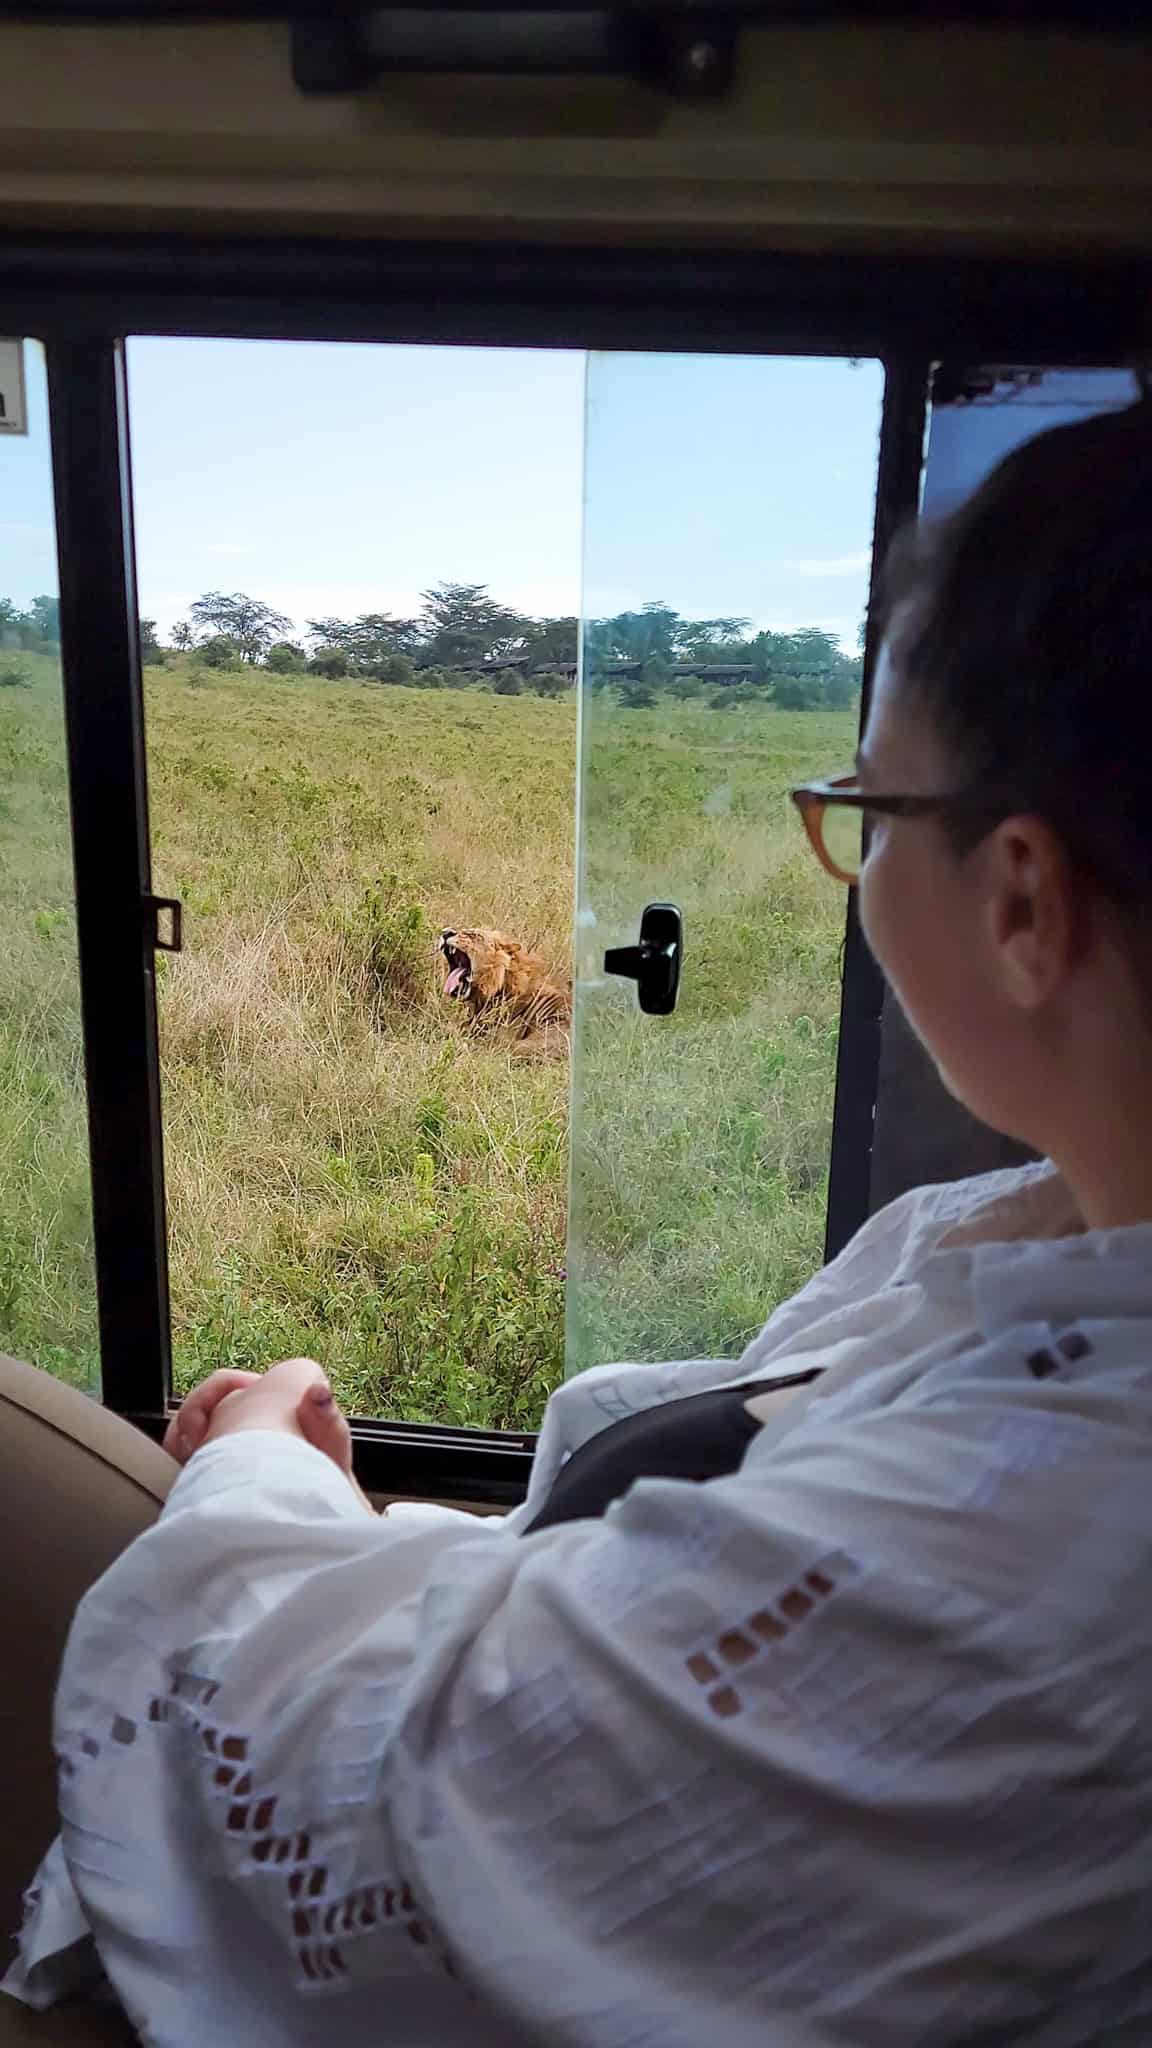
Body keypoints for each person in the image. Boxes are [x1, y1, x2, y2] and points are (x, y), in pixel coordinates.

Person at [8, 399, 1152, 2045]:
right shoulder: (1010, 1237)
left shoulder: (1027, 1543)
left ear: (1026, 898)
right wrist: (388, 1535)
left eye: (865, 810)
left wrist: (258, 1456)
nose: (849, 855)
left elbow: (329, 1796)